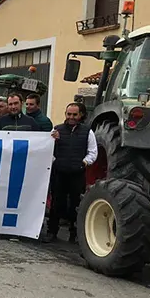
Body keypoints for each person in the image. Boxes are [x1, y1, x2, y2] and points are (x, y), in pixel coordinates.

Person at [44, 103, 97, 243]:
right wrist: (55, 157)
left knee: (76, 204)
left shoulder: (88, 132)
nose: (71, 117)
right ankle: (52, 231)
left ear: (81, 115)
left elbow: (93, 152)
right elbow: (48, 149)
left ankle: (75, 233)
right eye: (69, 114)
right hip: (59, 173)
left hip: (77, 174)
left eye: (74, 114)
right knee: (56, 203)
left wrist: (84, 163)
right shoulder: (56, 130)